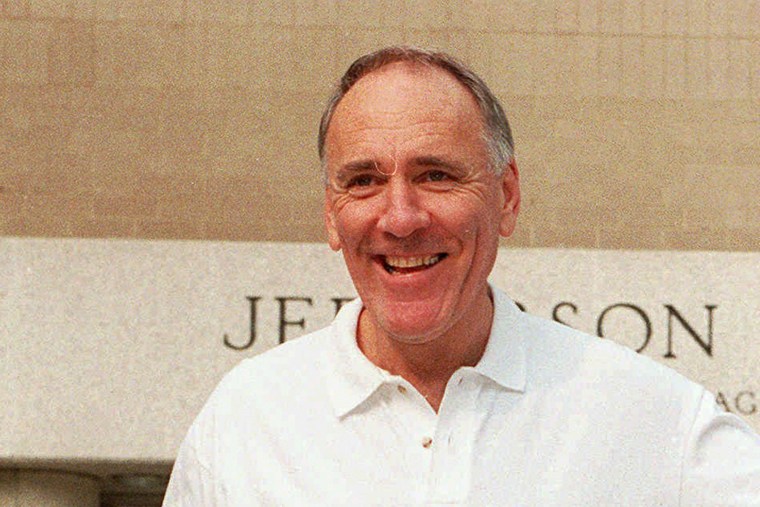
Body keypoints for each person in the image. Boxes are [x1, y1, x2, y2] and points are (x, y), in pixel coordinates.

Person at [163, 47, 759, 505]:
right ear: (330, 215)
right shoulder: (243, 422)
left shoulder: (654, 421)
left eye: (437, 176)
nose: (399, 218)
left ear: (506, 196)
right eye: (363, 180)